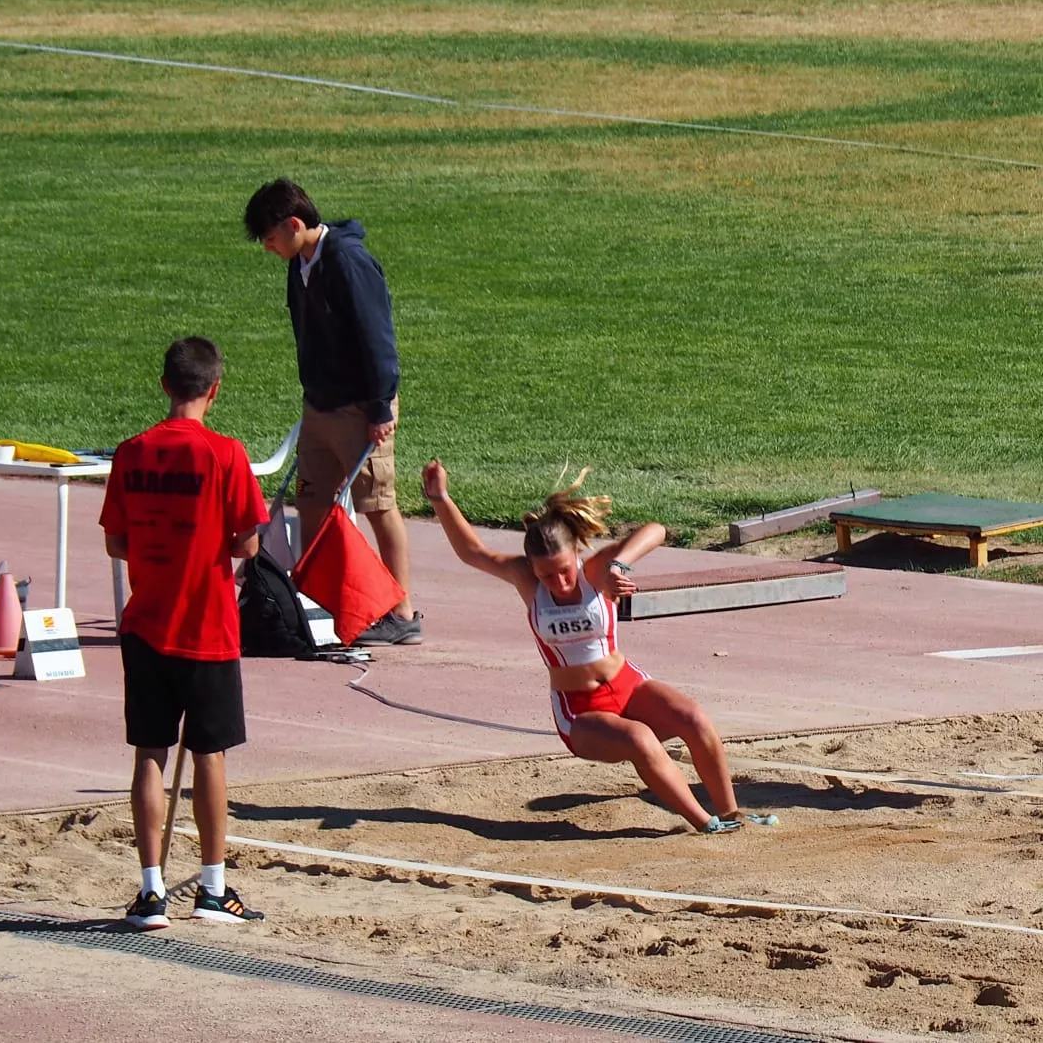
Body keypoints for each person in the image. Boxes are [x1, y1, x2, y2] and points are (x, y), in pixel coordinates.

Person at [421, 460, 775, 834]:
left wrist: (620, 566)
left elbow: (656, 530)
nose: (557, 582)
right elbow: (472, 552)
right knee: (639, 739)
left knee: (694, 718)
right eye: (546, 574)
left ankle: (730, 811)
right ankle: (705, 823)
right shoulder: (526, 579)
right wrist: (440, 498)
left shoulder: (595, 571)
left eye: (564, 571)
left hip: (627, 684)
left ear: (576, 553)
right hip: (579, 710)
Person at [100, 337, 270, 929]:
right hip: (206, 625)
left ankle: (150, 892)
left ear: (165, 384)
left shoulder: (131, 452)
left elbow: (117, 541)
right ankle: (212, 888)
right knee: (210, 756)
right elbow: (249, 542)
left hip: (146, 621)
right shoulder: (226, 455)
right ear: (214, 389)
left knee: (149, 753)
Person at [243, 178, 420, 646]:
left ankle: (401, 612)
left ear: (295, 225)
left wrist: (380, 405)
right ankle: (328, 600)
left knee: (377, 504)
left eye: (271, 239)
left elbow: (377, 337)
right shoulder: (299, 264)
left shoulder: (348, 263)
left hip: (362, 408)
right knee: (313, 502)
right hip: (319, 406)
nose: (269, 249)